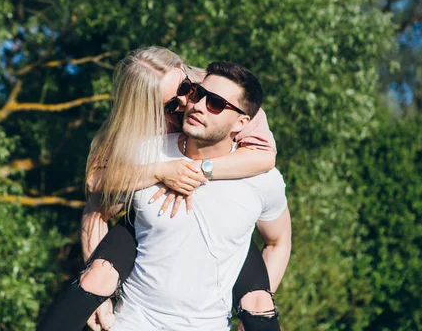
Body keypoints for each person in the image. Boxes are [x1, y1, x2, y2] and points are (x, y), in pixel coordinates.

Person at [37, 48, 281, 331]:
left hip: (221, 223)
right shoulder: (137, 133)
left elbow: (266, 158)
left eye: (186, 89)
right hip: (146, 215)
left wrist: (198, 171)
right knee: (97, 276)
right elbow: (96, 187)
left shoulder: (221, 91)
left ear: (189, 75)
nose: (185, 104)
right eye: (167, 107)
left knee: (258, 302)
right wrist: (161, 171)